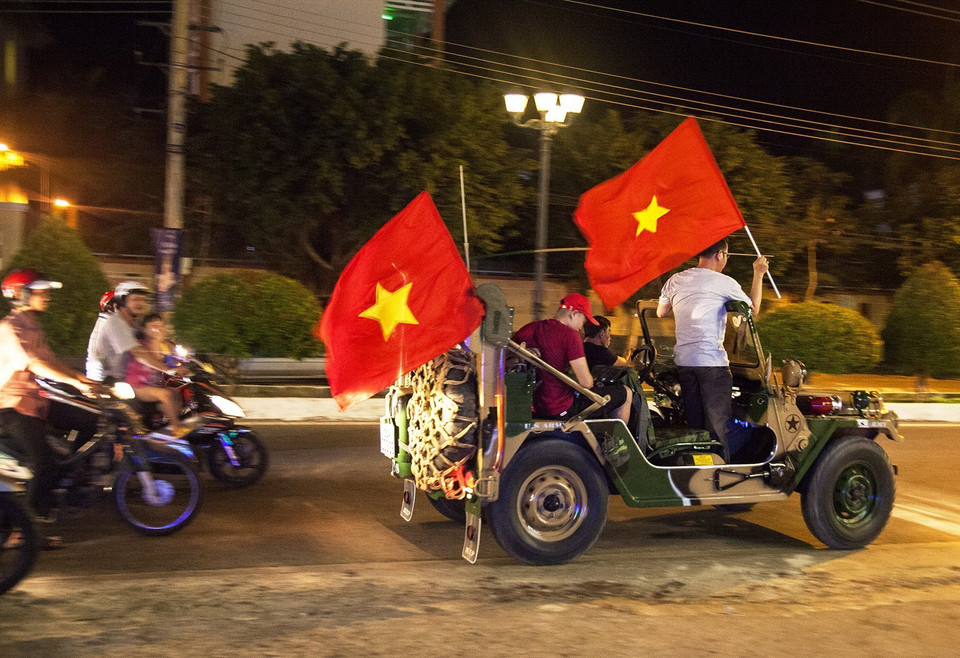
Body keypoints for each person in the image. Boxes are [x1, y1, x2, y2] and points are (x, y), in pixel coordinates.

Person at [0, 269, 97, 545]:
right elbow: (33, 363)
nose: (48, 297)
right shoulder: (10, 327)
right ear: (21, 294)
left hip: (37, 401)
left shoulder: (33, 325)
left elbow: (50, 361)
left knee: (91, 420)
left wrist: (84, 379)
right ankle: (19, 532)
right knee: (44, 465)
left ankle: (68, 474)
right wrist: (74, 383)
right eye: (41, 292)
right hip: (12, 406)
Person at [656, 239, 769, 461]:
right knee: (718, 429)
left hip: (685, 363)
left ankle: (699, 472)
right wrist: (759, 274)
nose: (726, 260)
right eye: (727, 256)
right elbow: (752, 310)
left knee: (696, 426)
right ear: (719, 255)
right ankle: (721, 473)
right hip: (712, 364)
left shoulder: (676, 279)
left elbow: (661, 312)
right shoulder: (723, 283)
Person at [512, 293, 632, 424]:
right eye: (583, 320)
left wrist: (521, 355)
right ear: (574, 313)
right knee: (625, 393)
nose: (582, 327)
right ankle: (618, 443)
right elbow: (586, 383)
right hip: (561, 407)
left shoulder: (532, 328)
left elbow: (504, 356)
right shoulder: (570, 335)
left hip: (536, 406)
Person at [85, 281, 187, 435]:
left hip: (121, 379)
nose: (140, 304)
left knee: (172, 392)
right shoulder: (114, 323)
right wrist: (169, 369)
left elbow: (149, 336)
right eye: (135, 300)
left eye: (142, 300)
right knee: (131, 421)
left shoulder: (130, 324)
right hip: (107, 381)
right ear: (120, 302)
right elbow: (138, 351)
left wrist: (168, 345)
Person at [126, 313, 183, 432]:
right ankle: (176, 428)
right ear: (145, 329)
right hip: (138, 386)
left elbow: (173, 359)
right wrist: (158, 339)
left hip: (152, 385)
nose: (158, 329)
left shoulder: (163, 345)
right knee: (165, 395)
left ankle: (165, 425)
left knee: (176, 392)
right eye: (154, 326)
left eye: (160, 326)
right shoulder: (142, 344)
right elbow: (156, 358)